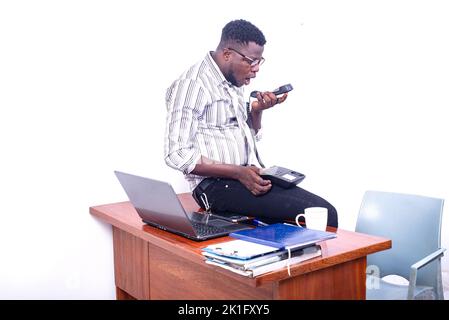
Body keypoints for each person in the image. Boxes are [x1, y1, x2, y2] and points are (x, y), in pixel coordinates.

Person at [164, 19, 338, 227]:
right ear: (228, 54)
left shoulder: (232, 80)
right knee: (323, 214)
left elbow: (241, 134)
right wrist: (238, 172)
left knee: (323, 212)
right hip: (213, 187)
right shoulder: (192, 86)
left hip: (245, 176)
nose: (256, 69)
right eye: (251, 61)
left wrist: (256, 113)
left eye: (259, 61)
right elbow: (176, 154)